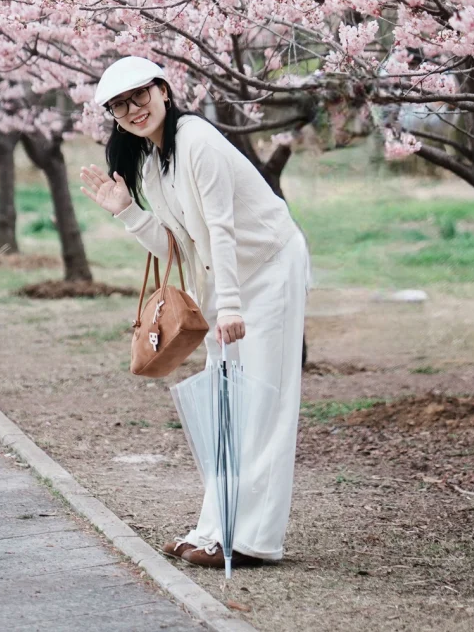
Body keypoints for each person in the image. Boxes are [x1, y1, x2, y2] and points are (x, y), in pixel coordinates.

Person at [80, 55, 308, 567]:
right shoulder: (152, 160)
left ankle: (252, 540)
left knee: (265, 399)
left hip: (269, 269)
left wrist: (227, 306)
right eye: (120, 106)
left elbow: (221, 229)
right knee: (227, 403)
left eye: (140, 96)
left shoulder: (197, 140)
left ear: (163, 89)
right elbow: (182, 247)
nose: (133, 109)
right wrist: (127, 212)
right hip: (228, 281)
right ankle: (215, 527)